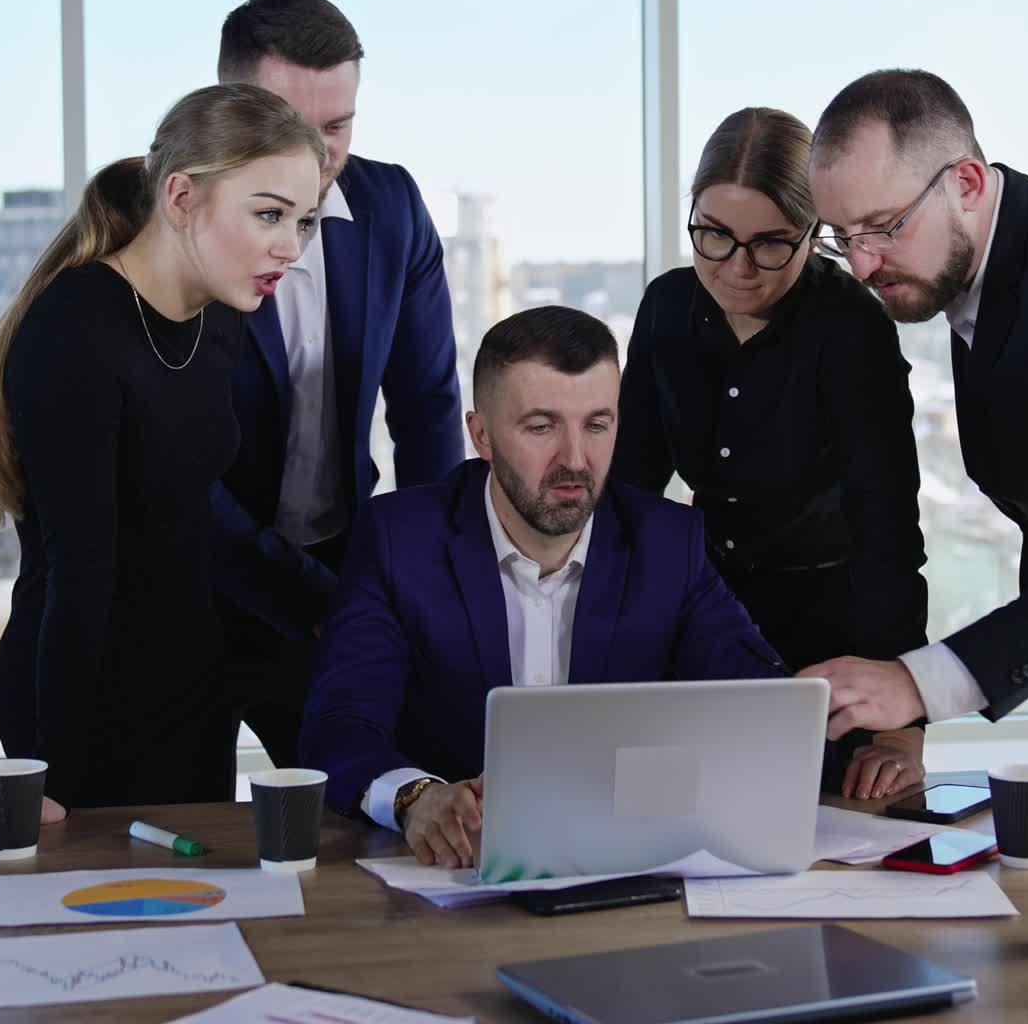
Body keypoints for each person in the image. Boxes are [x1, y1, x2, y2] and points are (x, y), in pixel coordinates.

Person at [0, 83, 325, 870]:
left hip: (190, 694)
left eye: (303, 220)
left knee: (197, 951)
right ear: (182, 197)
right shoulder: (75, 330)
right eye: (269, 214)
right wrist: (45, 778)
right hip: (82, 705)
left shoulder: (219, 323)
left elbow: (194, 526)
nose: (293, 246)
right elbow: (80, 575)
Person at [299, 306, 784, 869]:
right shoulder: (398, 540)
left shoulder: (668, 543)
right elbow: (338, 728)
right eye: (541, 426)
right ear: (481, 435)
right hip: (450, 878)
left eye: (596, 425)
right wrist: (416, 796)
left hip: (624, 871)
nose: (575, 460)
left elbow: (759, 710)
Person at [800, 67, 1028, 842]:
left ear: (964, 180)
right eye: (841, 237)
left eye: (882, 227)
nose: (861, 265)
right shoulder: (972, 266)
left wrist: (915, 685)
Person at [612, 107, 927, 800]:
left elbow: (887, 530)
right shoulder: (667, 306)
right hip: (703, 609)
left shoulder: (850, 328)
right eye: (714, 236)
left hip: (830, 630)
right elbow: (629, 489)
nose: (738, 268)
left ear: (814, 235)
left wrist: (903, 726)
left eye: (771, 244)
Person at [212, 0, 465, 768]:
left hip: (334, 566)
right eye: (292, 127)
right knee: (183, 848)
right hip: (190, 587)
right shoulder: (176, 223)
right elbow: (175, 471)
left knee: (354, 826)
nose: (320, 156)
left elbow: (427, 410)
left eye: (338, 126)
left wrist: (435, 580)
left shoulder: (391, 207)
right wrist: (308, 599)